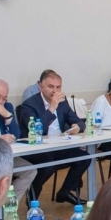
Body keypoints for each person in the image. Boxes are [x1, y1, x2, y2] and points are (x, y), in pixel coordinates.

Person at [17, 70, 91, 203]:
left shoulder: (62, 102)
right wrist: (51, 108)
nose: (55, 91)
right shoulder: (29, 104)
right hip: (36, 148)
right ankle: (33, 197)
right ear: (41, 86)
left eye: (58, 87)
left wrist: (77, 127)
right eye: (50, 86)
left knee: (84, 158)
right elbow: (36, 129)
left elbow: (78, 121)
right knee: (48, 164)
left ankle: (65, 191)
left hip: (58, 145)